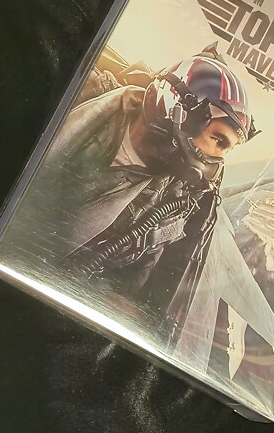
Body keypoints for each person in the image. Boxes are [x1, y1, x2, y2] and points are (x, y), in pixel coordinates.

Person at [14, 53, 258, 335]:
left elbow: (137, 286)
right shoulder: (74, 96)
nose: (218, 160)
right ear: (177, 110)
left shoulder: (177, 200)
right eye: (218, 140)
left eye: (227, 150)